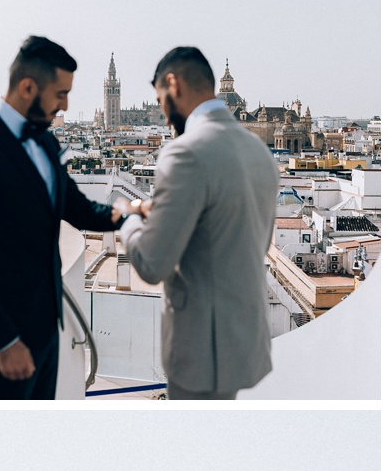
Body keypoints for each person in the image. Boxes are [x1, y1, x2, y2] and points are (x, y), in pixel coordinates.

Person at [0, 38, 126, 400]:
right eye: (60, 93)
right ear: (28, 87)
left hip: (47, 333)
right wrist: (5, 340)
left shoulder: (46, 144)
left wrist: (127, 214)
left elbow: (75, 207)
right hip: (2, 345)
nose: (65, 105)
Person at [119, 47, 279, 399]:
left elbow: (150, 264)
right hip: (244, 348)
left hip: (201, 354)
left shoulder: (185, 152)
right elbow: (246, 242)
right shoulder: (259, 152)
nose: (163, 116)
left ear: (173, 84)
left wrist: (128, 216)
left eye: (161, 99)